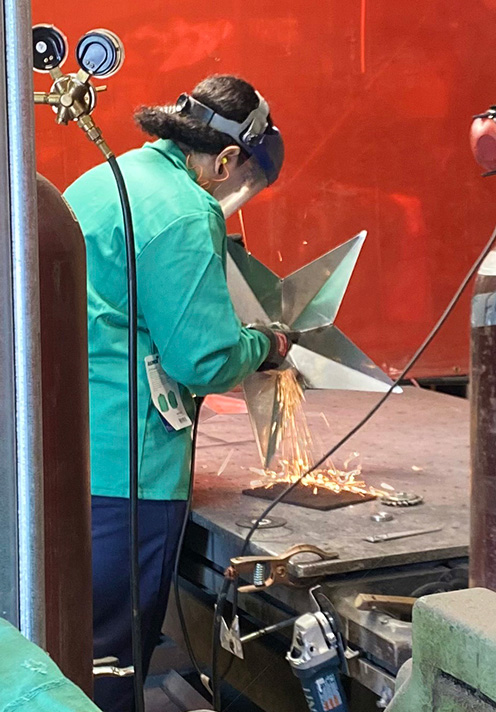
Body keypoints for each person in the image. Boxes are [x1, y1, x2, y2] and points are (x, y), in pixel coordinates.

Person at [64, 74, 294, 712]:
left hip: (63, 452)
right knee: (112, 661)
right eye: (240, 178)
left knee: (67, 651)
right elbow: (204, 359)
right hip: (129, 472)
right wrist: (264, 344)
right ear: (226, 158)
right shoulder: (187, 210)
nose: (231, 191)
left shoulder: (105, 177)